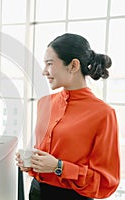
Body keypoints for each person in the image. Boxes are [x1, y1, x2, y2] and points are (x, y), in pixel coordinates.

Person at [16, 33, 120, 200]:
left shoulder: (103, 114)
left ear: (73, 65)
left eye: (49, 64)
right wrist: (30, 164)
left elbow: (105, 183)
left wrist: (59, 167)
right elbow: (43, 159)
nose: (44, 71)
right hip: (36, 193)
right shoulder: (44, 103)